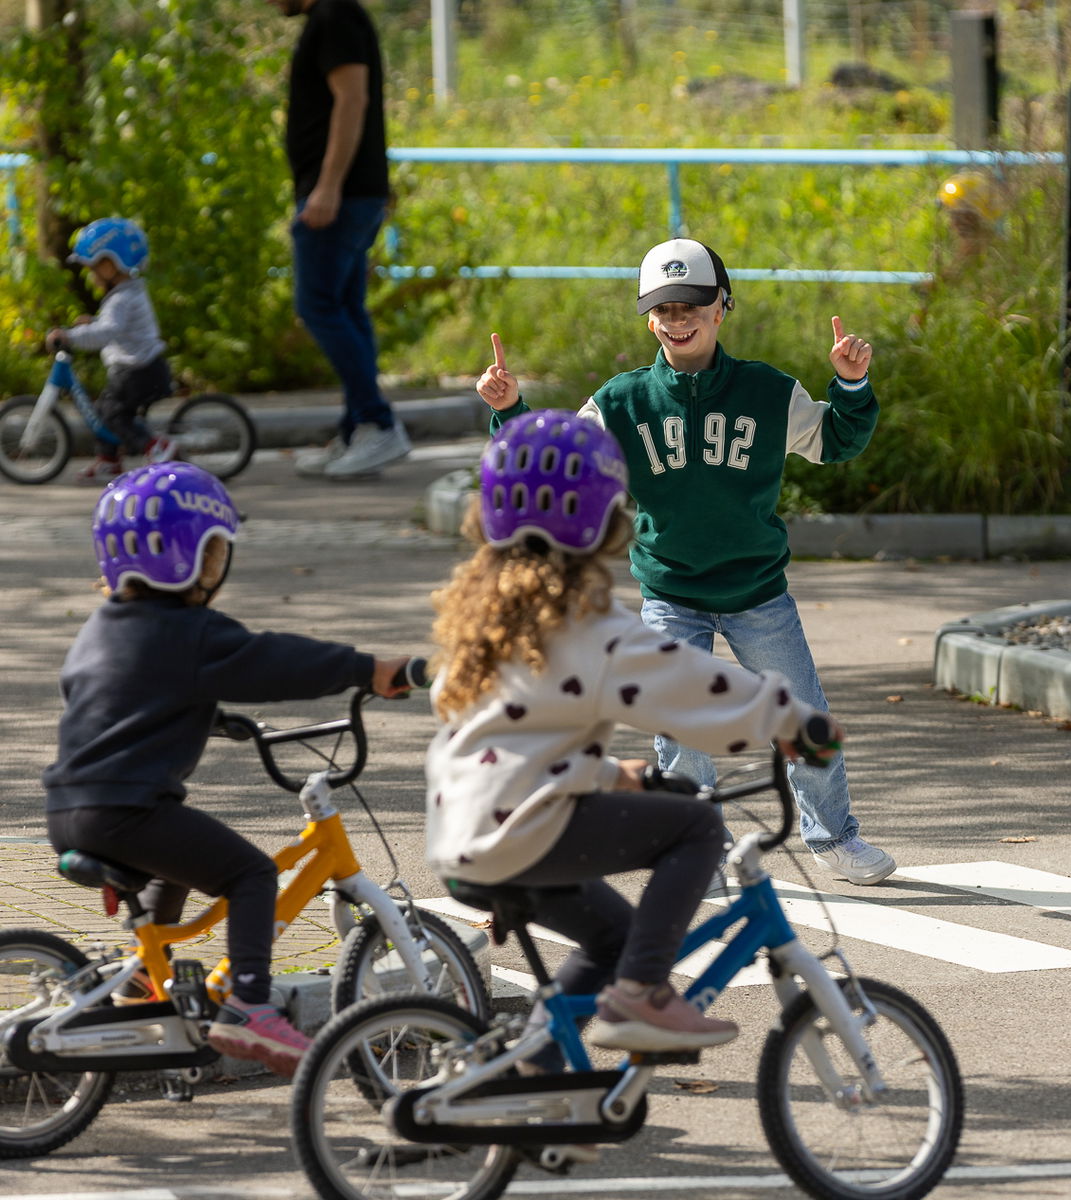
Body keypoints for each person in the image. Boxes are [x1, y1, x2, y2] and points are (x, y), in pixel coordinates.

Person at [473, 237, 897, 886]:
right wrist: (509, 412)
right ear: (650, 319)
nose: (677, 319)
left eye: (691, 305)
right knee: (679, 727)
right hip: (671, 595)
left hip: (759, 593)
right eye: (664, 309)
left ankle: (835, 839)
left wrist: (851, 383)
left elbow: (836, 440)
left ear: (722, 306)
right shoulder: (621, 401)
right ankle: (697, 847)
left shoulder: (768, 391)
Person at [425, 410, 842, 1053]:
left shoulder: (486, 620)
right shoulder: (588, 626)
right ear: (606, 521)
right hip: (520, 831)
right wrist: (789, 717)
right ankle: (643, 994)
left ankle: (531, 1069)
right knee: (697, 828)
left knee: (613, 939)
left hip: (462, 830)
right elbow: (686, 683)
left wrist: (609, 774)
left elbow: (512, 739)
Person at [42, 462, 411, 1074]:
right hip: (126, 810)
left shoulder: (101, 628)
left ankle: (144, 982)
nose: (217, 566)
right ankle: (249, 1007)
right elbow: (270, 660)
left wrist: (208, 717)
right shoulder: (191, 632)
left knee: (177, 865)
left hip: (70, 812)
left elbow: (119, 692)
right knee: (249, 874)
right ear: (191, 559)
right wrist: (365, 667)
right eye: (213, 553)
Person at [270, 0, 411, 480]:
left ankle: (377, 422)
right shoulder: (334, 16)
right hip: (349, 193)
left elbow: (352, 100)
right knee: (346, 308)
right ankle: (358, 430)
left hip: (341, 195)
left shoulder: (335, 16)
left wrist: (328, 186)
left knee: (318, 306)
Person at [46, 217, 174, 484]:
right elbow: (114, 327)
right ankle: (108, 460)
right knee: (104, 409)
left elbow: (106, 333)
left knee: (114, 413)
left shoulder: (121, 299)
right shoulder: (128, 293)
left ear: (110, 264)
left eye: (93, 269)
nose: (92, 276)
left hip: (139, 371)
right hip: (142, 367)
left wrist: (69, 336)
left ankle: (155, 446)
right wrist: (92, 322)